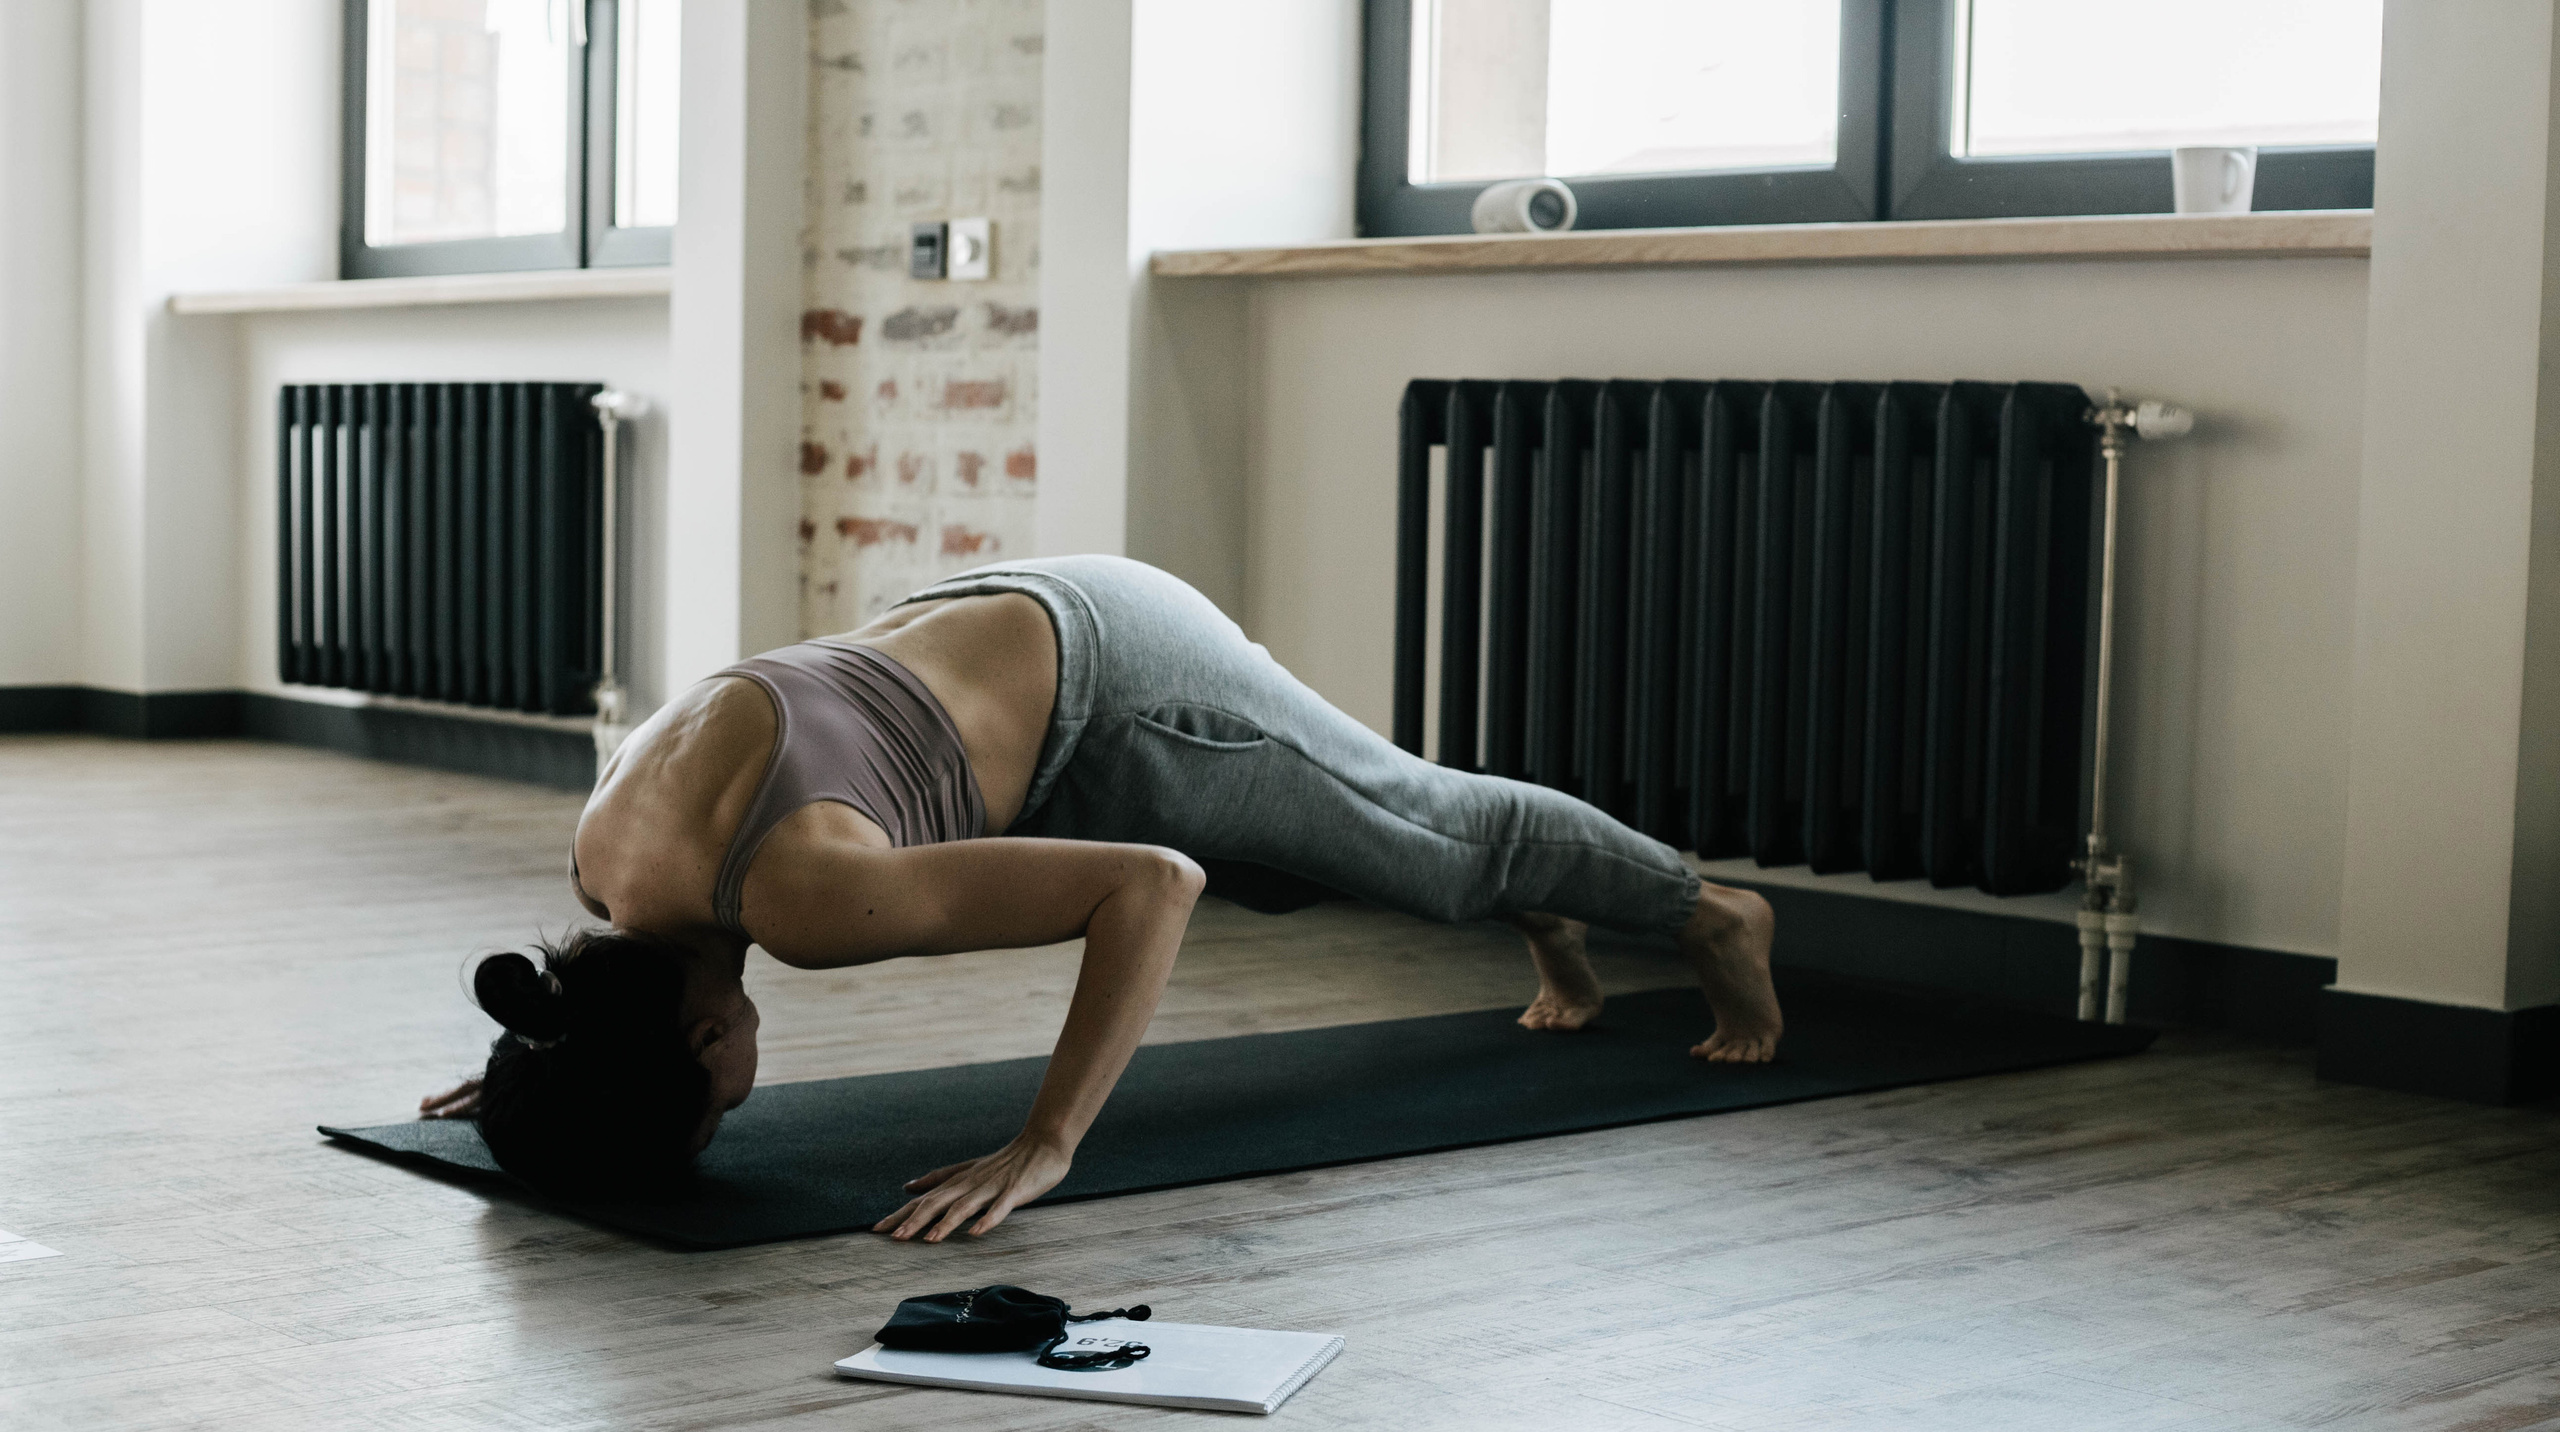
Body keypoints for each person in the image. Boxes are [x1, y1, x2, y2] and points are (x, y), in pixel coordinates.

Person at [420, 555, 1781, 1242]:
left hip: (1123, 684)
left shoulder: (806, 900)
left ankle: (1709, 911)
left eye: (721, 1097)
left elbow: (1150, 885)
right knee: (1314, 869)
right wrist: (548, 1074)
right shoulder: (607, 859)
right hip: (989, 637)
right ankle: (1540, 905)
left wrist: (1048, 1141)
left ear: (703, 1040)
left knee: (1431, 834)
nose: (744, 1090)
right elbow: (633, 997)